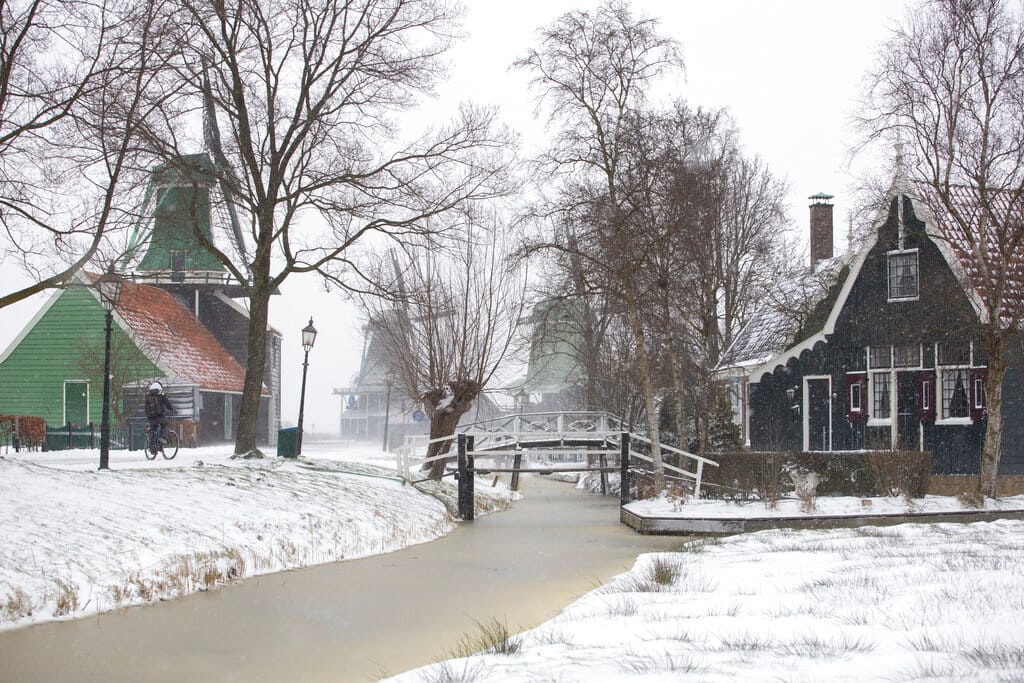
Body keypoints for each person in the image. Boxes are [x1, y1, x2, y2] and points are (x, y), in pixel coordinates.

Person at [145, 382, 174, 453]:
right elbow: (168, 404)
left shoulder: (148, 397)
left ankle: (152, 448)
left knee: (153, 430)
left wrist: (149, 416)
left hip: (150, 417)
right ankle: (162, 438)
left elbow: (145, 408)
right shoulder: (161, 395)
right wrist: (172, 410)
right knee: (165, 424)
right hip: (159, 416)